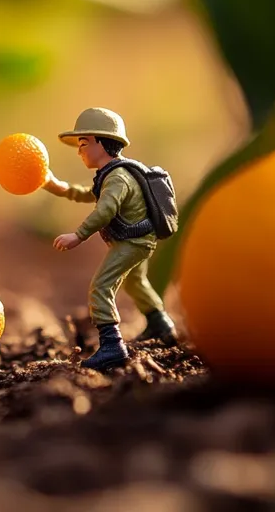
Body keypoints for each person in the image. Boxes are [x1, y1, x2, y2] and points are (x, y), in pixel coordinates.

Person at [44, 107, 177, 371]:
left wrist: (78, 235)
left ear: (101, 144)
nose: (79, 150)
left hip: (133, 243)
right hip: (139, 240)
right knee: (135, 282)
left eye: (83, 143)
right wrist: (58, 186)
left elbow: (105, 210)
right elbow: (90, 195)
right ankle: (161, 325)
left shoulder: (117, 178)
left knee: (101, 287)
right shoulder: (112, 175)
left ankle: (112, 347)